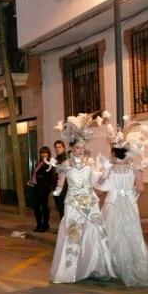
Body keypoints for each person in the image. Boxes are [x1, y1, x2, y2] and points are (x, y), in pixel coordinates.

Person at [50, 113, 116, 284]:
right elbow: (61, 182)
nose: (81, 150)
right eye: (78, 148)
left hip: (90, 201)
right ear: (71, 147)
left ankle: (96, 266)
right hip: (72, 202)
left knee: (97, 231)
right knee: (73, 234)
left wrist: (106, 171)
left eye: (82, 147)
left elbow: (96, 182)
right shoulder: (65, 164)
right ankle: (69, 271)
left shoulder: (89, 164)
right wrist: (57, 191)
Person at [97, 118, 148, 287]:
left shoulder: (109, 170)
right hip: (129, 205)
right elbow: (141, 189)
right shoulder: (135, 169)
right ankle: (133, 267)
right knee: (131, 236)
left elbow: (102, 189)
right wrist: (131, 190)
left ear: (114, 153)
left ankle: (111, 267)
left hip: (112, 205)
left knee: (111, 236)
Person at [29, 146, 54, 232]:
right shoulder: (38, 163)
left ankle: (45, 225)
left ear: (48, 154)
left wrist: (49, 188)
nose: (43, 154)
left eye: (45, 153)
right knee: (36, 206)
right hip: (36, 187)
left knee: (44, 207)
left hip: (44, 188)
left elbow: (49, 176)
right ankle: (38, 224)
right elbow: (35, 173)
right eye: (42, 153)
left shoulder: (49, 163)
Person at [52, 140, 68, 219]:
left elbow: (64, 177)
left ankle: (64, 230)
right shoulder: (56, 160)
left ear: (64, 148)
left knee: (64, 212)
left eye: (60, 147)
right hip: (57, 188)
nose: (58, 149)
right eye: (56, 147)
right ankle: (63, 229)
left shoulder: (66, 160)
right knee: (61, 211)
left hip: (64, 189)